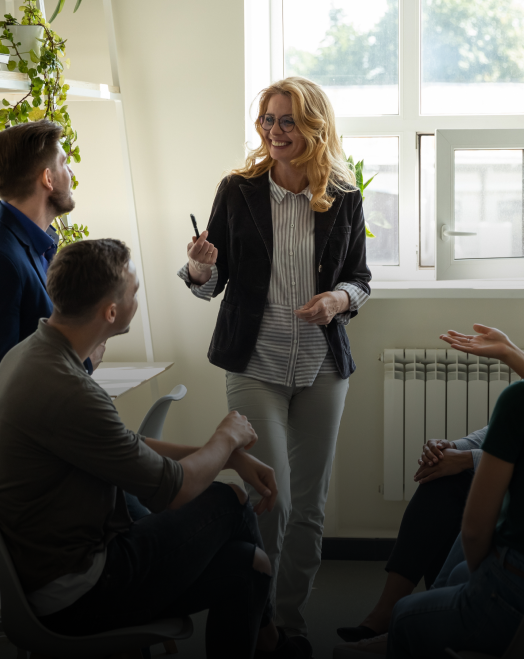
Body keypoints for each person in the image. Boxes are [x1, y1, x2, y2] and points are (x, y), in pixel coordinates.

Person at [0, 238, 309, 659]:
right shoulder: (69, 388)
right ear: (111, 312)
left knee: (249, 564)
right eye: (134, 291)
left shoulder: (27, 355)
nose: (137, 297)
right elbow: (175, 489)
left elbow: (127, 446)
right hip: (79, 589)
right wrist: (226, 438)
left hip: (50, 573)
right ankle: (274, 645)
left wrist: (227, 456)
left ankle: (271, 642)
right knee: (229, 500)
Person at [343, 243, 524, 658]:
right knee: (455, 570)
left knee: (408, 618)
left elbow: (474, 529)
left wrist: (490, 579)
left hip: (515, 590)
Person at [178, 76, 371, 639]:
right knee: (273, 497)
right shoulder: (238, 189)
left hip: (322, 367)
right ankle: (258, 614)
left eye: (287, 120)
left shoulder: (345, 193)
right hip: (254, 363)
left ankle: (289, 620)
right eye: (267, 119)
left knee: (310, 503)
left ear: (314, 126)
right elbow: (210, 283)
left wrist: (338, 299)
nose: (274, 131)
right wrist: (198, 265)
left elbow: (359, 279)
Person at [337, 328, 524, 643]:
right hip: (514, 481)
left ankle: (419, 614)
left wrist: (466, 460)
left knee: (453, 483)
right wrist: (452, 447)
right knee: (442, 478)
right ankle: (393, 611)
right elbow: (500, 431)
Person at [0, 119, 104, 370]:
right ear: (48, 178)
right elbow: (6, 374)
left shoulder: (39, 244)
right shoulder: (5, 260)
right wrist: (83, 358)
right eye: (64, 163)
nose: (71, 174)